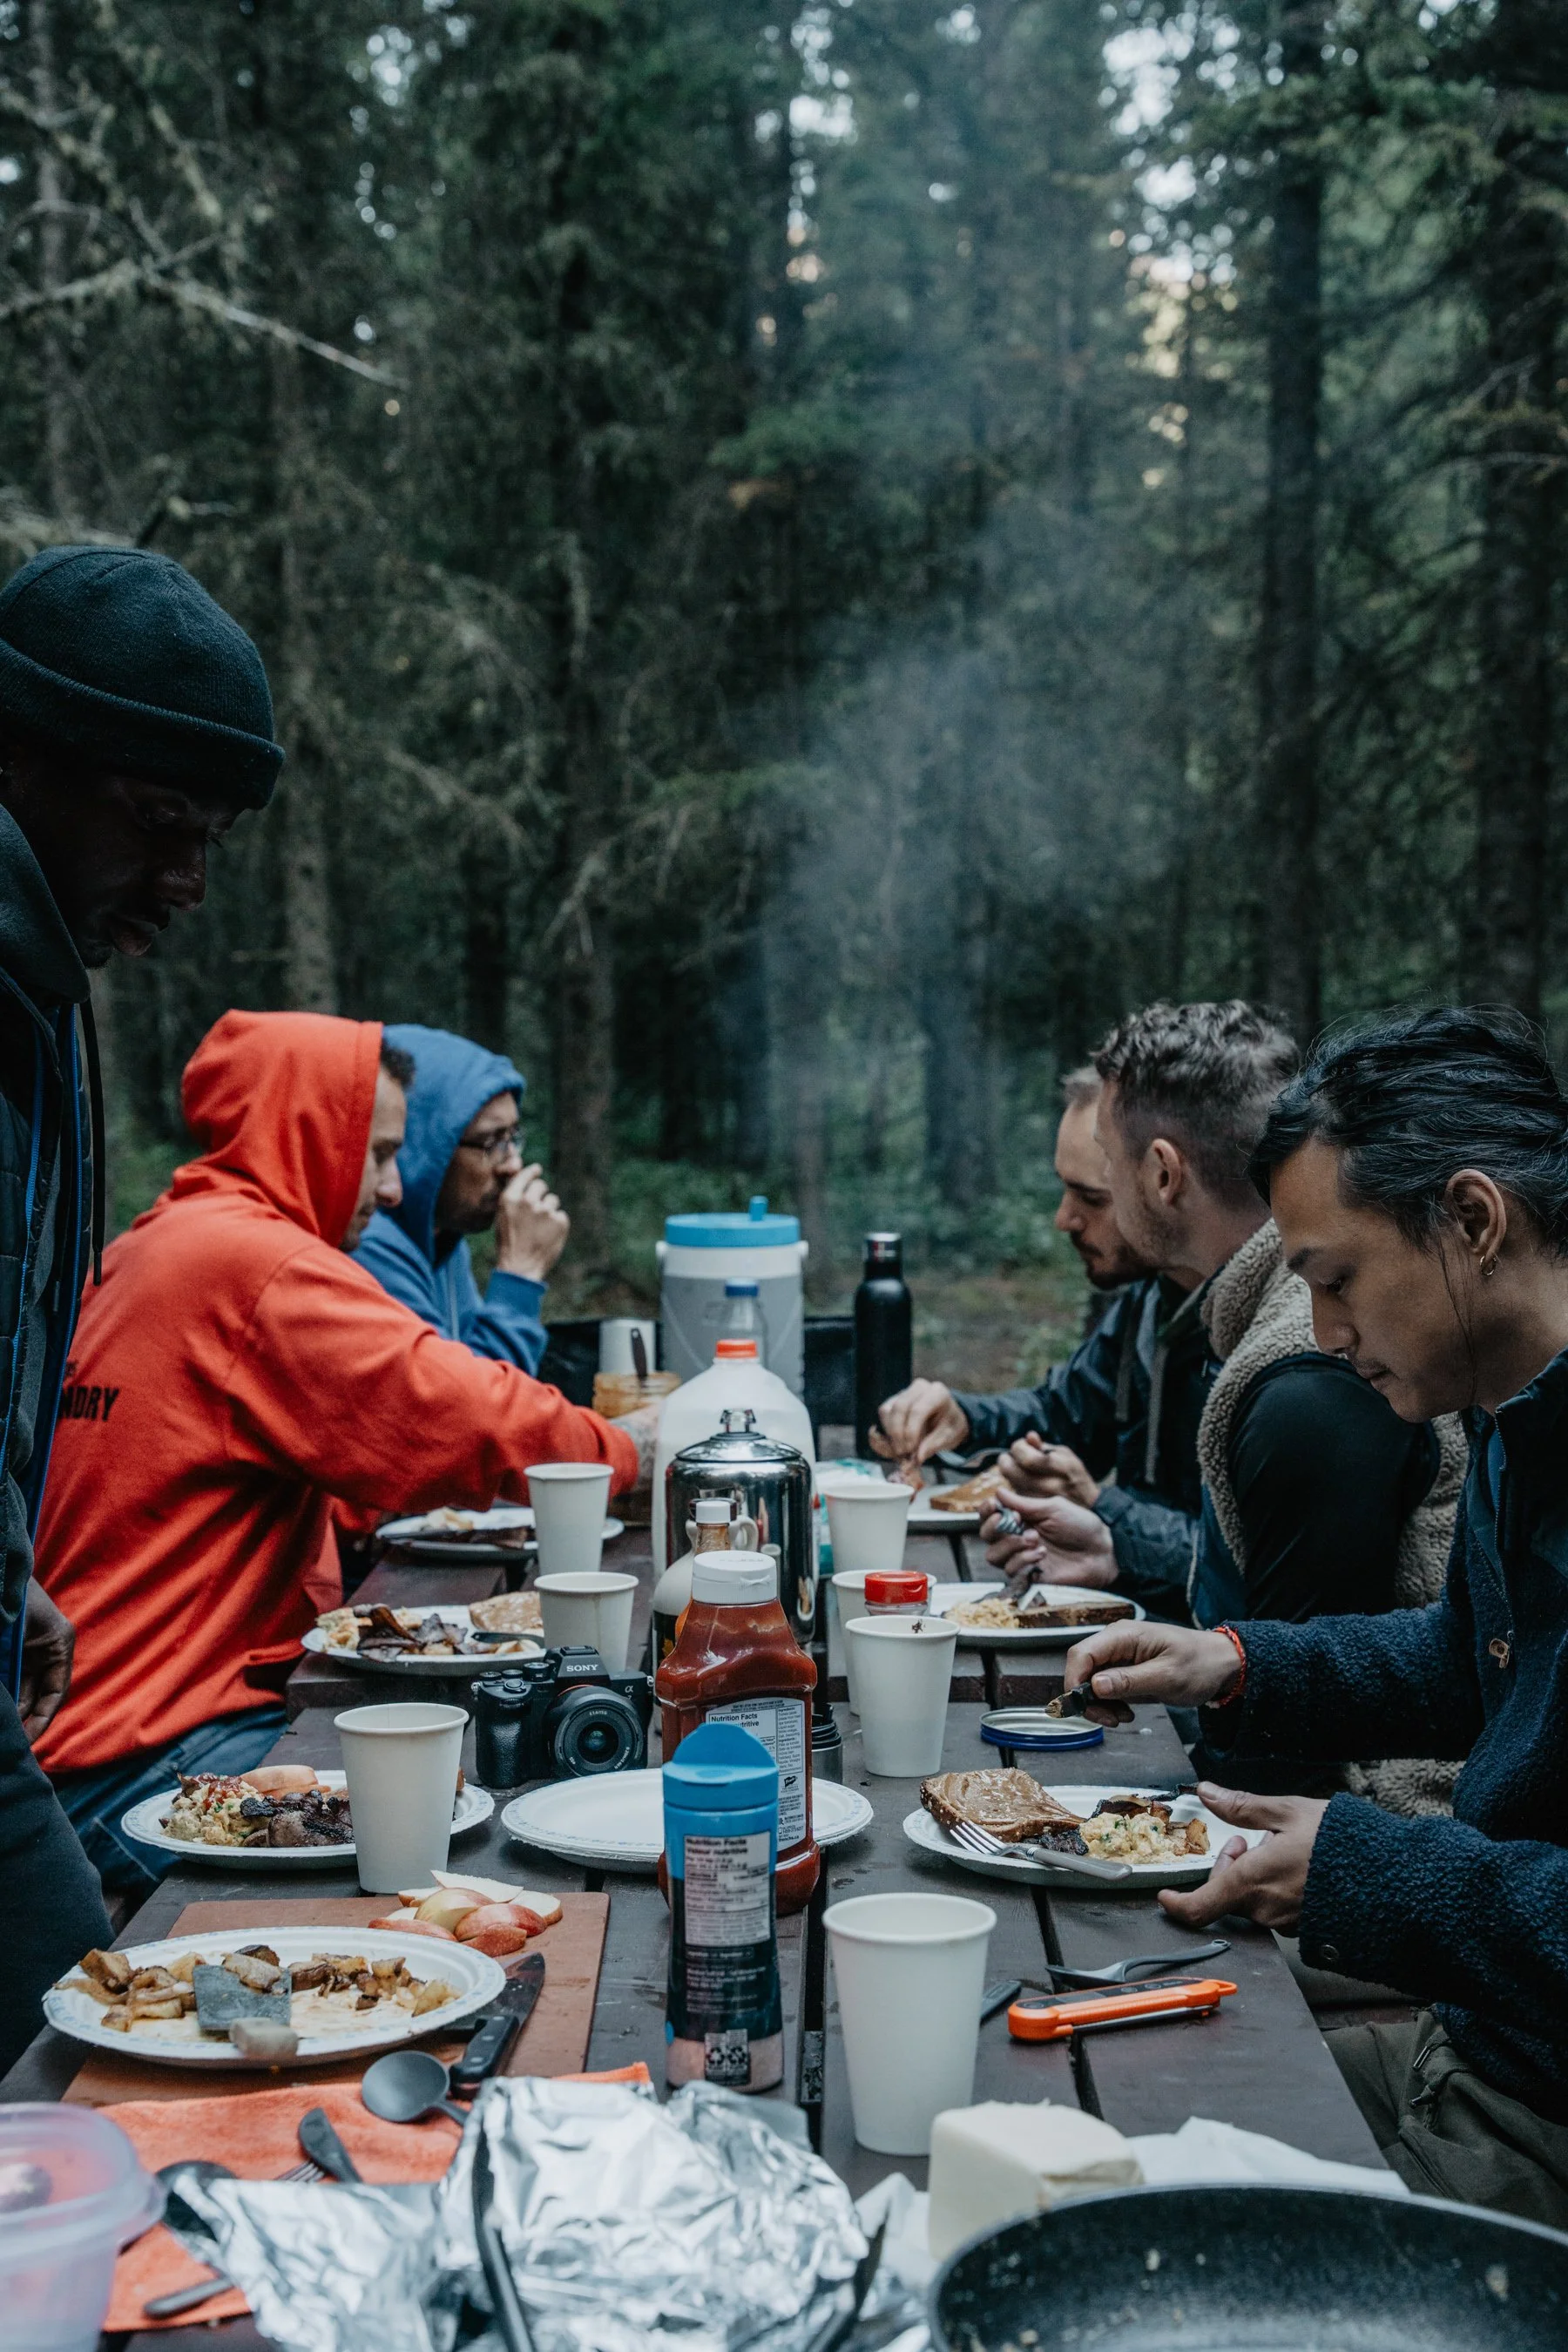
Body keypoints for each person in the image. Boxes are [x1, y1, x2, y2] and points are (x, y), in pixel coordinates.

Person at [1060, 1007, 1568, 2226]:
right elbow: (1466, 1659)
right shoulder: (1516, 1420)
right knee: (1083, 2121)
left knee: (1143, 2233)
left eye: (1333, 1281)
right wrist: (1235, 1661)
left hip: (1537, 2124)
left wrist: (1358, 1868)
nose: (1328, 1335)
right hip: (1476, 2047)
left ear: (1474, 1220)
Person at [34, 1010, 649, 1898]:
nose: (397, 1189)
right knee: (480, 1828)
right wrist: (625, 1451)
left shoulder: (155, 1245)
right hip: (141, 1755)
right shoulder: (252, 1265)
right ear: (308, 1134)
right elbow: (458, 1413)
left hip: (92, 1736)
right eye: (379, 1154)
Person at [0, 544, 282, 2074]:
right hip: (101, 1752)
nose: (184, 880)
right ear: (18, 751)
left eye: (212, 837)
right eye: (160, 821)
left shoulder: (39, 981)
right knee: (99, 2071)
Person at [983, 1004, 1461, 1799]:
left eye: (1103, 1165)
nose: (1331, 1326)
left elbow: (1297, 1753)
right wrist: (1120, 1551)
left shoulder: (1307, 1383)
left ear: (1163, 1174)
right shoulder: (1231, 1320)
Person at [872, 1065, 1200, 1619]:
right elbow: (1065, 1414)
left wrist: (1103, 1510)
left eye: (1091, 1197)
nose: (1062, 1219)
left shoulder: (1282, 1340)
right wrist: (963, 1417)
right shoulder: (1156, 1297)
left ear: (1162, 1181)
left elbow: (1246, 1569)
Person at [353, 1023, 568, 1372]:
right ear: (424, 1147)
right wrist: (521, 1273)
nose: (512, 1164)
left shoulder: (441, 1235)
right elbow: (475, 1410)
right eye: (491, 1142)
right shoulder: (369, 1244)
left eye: (514, 1137)